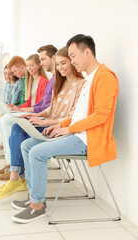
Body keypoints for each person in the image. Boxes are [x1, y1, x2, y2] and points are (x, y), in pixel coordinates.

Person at [10, 34, 119, 224]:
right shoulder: (88, 80)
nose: (72, 61)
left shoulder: (105, 77)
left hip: (88, 139)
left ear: (87, 52)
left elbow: (100, 116)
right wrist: (60, 126)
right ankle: (33, 197)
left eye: (73, 56)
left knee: (36, 152)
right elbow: (79, 116)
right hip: (76, 132)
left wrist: (68, 130)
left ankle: (37, 206)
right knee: (28, 144)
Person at [0, 46, 84, 200]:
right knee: (17, 128)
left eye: (63, 63)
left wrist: (41, 117)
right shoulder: (59, 82)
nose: (59, 67)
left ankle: (17, 178)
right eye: (58, 64)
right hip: (51, 120)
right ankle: (22, 181)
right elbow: (50, 106)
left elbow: (70, 117)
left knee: (18, 129)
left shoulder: (78, 84)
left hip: (61, 127)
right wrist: (34, 114)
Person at [0, 45, 57, 179]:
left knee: (6, 122)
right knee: (2, 120)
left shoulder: (45, 81)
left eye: (31, 65)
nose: (29, 68)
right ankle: (12, 166)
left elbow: (42, 106)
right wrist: (18, 108)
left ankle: (13, 167)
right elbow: (32, 103)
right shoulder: (31, 80)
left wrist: (24, 110)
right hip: (35, 113)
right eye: (28, 65)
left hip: (40, 116)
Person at [0, 57, 26, 159]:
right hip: (8, 107)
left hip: (12, 108)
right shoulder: (7, 84)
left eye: (10, 73)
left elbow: (15, 101)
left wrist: (4, 106)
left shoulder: (19, 83)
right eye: (5, 73)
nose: (7, 76)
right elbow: (4, 99)